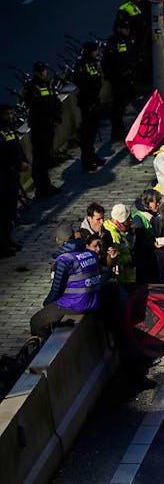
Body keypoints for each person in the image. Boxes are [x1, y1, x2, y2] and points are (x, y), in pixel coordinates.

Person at [30, 227, 102, 338]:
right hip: (93, 301)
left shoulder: (64, 259)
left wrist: (45, 303)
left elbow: (56, 290)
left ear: (59, 241)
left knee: (36, 321)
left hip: (75, 305)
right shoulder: (90, 253)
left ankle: (45, 347)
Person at [24, 62, 61, 197]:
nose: (43, 73)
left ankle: (46, 183)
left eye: (44, 70)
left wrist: (57, 117)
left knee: (46, 156)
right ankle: (41, 187)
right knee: (39, 157)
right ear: (36, 72)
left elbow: (54, 101)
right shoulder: (31, 87)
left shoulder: (47, 85)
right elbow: (35, 104)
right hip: (39, 127)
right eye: (40, 71)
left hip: (48, 126)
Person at [73, 41, 105, 172]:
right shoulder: (82, 64)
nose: (97, 53)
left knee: (93, 132)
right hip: (87, 102)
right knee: (87, 133)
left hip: (94, 100)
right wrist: (89, 100)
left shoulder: (93, 62)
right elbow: (82, 83)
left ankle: (92, 156)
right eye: (95, 51)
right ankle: (87, 160)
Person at [0, 104, 28, 256]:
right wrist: (17, 164)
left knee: (11, 210)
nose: (10, 117)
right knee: (3, 212)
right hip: (3, 176)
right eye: (6, 114)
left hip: (12, 175)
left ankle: (9, 240)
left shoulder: (10, 130)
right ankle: (3, 245)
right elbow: (3, 155)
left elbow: (18, 147)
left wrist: (24, 161)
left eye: (11, 113)